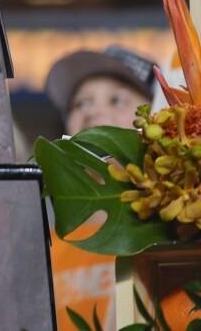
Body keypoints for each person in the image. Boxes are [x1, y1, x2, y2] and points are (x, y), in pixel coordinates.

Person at [43, 45, 159, 331]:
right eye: (80, 104)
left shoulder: (176, 235)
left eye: (117, 99)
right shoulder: (41, 249)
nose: (93, 111)